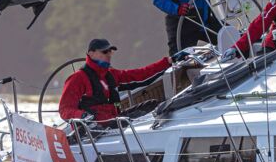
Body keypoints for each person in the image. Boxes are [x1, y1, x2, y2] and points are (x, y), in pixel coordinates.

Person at [58, 39, 189, 123]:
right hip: (96, 127)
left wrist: (169, 61)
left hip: (116, 120)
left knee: (155, 105)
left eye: (110, 52)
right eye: (104, 52)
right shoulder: (77, 79)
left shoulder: (112, 75)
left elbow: (141, 76)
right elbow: (65, 110)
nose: (108, 55)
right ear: (91, 53)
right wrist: (83, 116)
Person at [153, 0, 229, 56]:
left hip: (206, 20)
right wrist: (177, 9)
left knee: (233, 39)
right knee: (180, 61)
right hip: (182, 26)